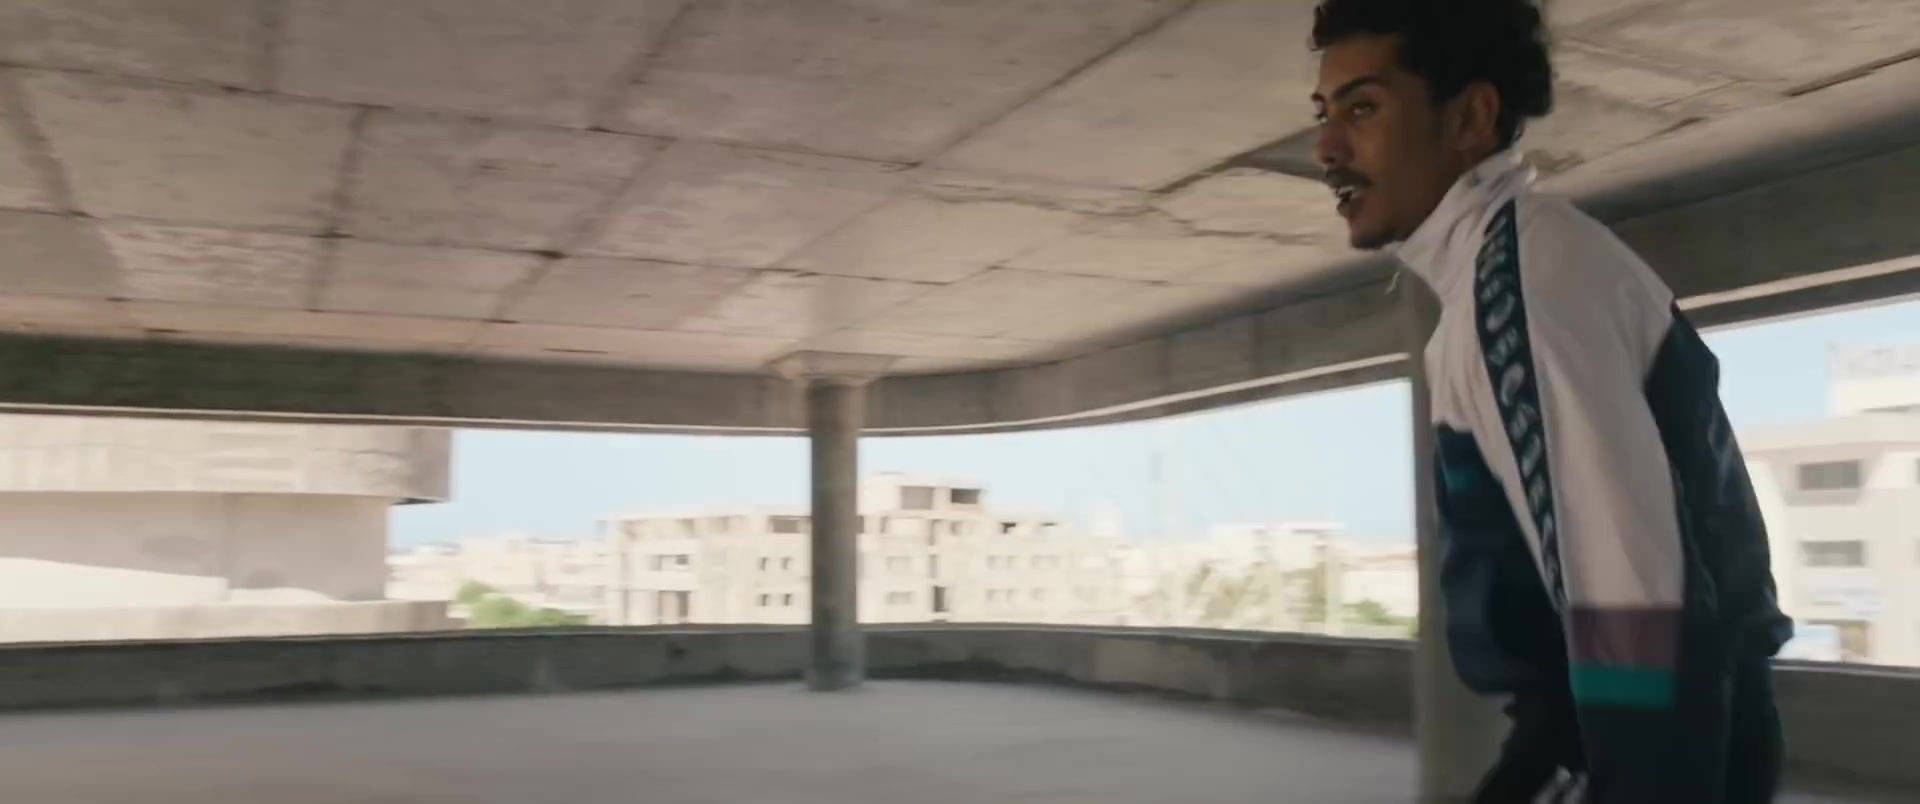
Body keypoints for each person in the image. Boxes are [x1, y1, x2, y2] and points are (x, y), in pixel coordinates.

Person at [1304, 1, 1793, 801]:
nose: (1325, 147)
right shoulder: (1505, 278)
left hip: (1634, 753)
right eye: (1323, 113)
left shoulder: (1522, 288)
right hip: (1604, 735)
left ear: (1469, 118)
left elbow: (1636, 604)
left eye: (1362, 109)